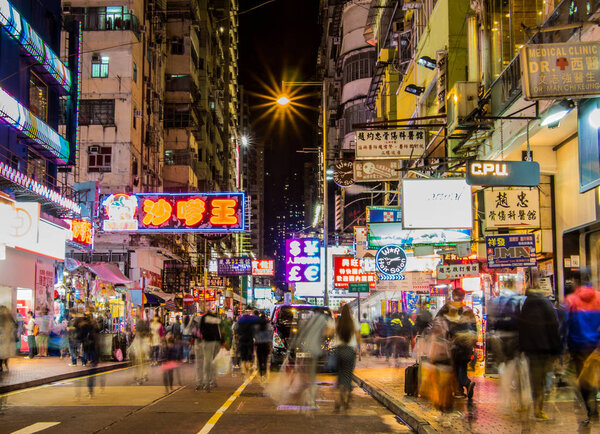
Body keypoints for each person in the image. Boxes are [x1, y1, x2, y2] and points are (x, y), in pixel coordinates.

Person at [518, 288, 561, 420]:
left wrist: (522, 347)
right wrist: (556, 350)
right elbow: (553, 327)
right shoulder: (547, 304)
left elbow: (521, 328)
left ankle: (537, 406)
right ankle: (539, 407)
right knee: (544, 377)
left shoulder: (525, 305)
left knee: (535, 378)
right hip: (546, 348)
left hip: (531, 349)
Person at [564, 272, 600, 425]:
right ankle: (596, 405)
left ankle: (591, 410)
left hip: (579, 347)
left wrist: (565, 348)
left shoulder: (571, 300)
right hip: (597, 346)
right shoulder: (599, 297)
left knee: (583, 379)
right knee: (596, 376)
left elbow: (565, 326)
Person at [437, 288, 478, 401]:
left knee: (453, 366)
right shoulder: (468, 310)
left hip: (454, 342)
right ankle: (460, 388)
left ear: (452, 295)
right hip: (467, 343)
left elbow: (438, 323)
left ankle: (464, 384)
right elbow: (474, 328)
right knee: (462, 365)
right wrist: (474, 343)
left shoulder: (446, 308)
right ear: (463, 297)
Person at [333, 304, 360, 411]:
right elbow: (358, 337)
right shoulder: (354, 322)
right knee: (348, 376)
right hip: (349, 351)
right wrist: (359, 350)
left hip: (339, 350)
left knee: (340, 375)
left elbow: (329, 332)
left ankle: (338, 402)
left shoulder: (337, 322)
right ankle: (347, 399)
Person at [198, 309, 222, 391]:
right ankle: (212, 380)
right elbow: (219, 330)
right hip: (216, 341)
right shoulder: (215, 317)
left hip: (208, 341)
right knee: (213, 361)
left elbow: (200, 329)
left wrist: (204, 336)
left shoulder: (203, 317)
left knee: (207, 361)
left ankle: (207, 382)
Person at [236, 310, 259, 377]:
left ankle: (244, 369)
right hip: (250, 340)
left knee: (243, 355)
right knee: (249, 353)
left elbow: (237, 332)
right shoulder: (251, 323)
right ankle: (248, 367)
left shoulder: (240, 323)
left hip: (242, 340)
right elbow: (254, 331)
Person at [254, 313, 273, 381]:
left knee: (259, 359)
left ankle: (261, 373)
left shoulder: (256, 326)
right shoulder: (269, 326)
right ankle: (264, 373)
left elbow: (254, 335)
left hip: (259, 344)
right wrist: (270, 345)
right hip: (266, 344)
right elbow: (271, 335)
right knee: (265, 359)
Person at [0, 306, 16, 372]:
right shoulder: (9, 320)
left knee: (3, 354)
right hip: (5, 341)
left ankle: (2, 365)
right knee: (4, 354)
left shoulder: (7, 320)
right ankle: (4, 365)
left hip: (4, 341)